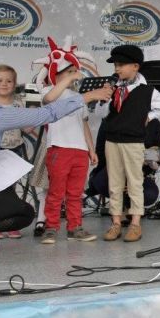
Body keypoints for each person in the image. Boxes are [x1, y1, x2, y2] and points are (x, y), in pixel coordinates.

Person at [0, 59, 112, 261]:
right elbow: (47, 113)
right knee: (24, 213)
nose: (0, 83)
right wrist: (88, 96)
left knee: (2, 194)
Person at [100, 44, 160, 242]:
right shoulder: (113, 88)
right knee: (114, 183)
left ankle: (135, 224)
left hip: (133, 142)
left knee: (135, 182)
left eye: (121, 65)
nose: (117, 69)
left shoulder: (147, 91)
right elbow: (101, 114)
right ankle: (116, 222)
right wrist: (104, 98)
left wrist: (150, 115)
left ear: (135, 66)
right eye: (115, 65)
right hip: (112, 140)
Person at [36, 39, 99, 244]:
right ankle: (50, 228)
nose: (74, 74)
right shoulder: (49, 91)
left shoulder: (80, 97)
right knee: (56, 192)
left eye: (75, 71)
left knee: (75, 193)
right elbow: (48, 100)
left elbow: (84, 124)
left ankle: (75, 228)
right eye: (68, 71)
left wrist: (91, 149)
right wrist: (67, 78)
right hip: (59, 149)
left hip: (80, 152)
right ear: (56, 74)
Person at [0, 64, 28, 239]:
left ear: (15, 84)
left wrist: (36, 115)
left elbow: (27, 127)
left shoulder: (19, 105)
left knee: (11, 189)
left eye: (9, 81)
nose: (4, 84)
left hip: (14, 150)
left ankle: (11, 223)